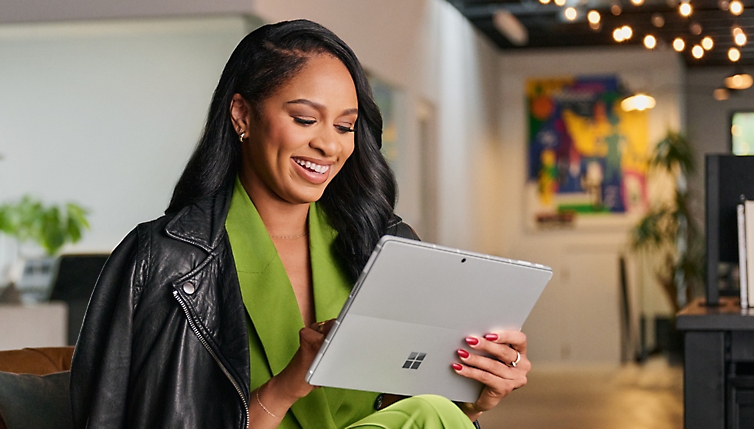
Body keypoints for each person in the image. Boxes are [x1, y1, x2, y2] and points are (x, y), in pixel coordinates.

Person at [70, 19, 530, 429]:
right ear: (242, 114)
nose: (328, 145)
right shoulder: (164, 258)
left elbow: (394, 407)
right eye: (305, 119)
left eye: (346, 127)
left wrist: (472, 398)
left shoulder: (381, 245)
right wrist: (290, 383)